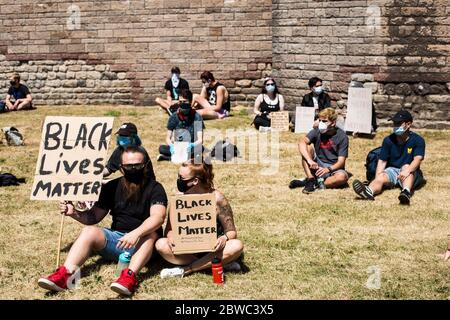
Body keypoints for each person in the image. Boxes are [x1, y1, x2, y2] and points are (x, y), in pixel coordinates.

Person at [38, 146, 168, 296]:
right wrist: (74, 213)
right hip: (118, 240)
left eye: (137, 166)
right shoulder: (111, 187)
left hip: (144, 245)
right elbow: (93, 217)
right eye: (129, 166)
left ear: (145, 166)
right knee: (89, 231)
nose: (133, 169)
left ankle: (128, 277)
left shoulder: (155, 188)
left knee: (151, 236)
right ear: (121, 168)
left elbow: (158, 218)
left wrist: (136, 234)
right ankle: (65, 275)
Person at [155, 159, 244, 278]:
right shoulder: (178, 200)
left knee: (237, 245)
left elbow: (231, 232)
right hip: (187, 250)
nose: (178, 181)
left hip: (213, 249)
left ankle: (187, 269)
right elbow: (169, 231)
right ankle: (215, 264)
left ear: (195, 181)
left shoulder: (217, 199)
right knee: (161, 244)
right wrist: (171, 238)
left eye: (182, 178)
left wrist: (224, 238)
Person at [353, 110, 425, 205]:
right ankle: (368, 191)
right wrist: (378, 176)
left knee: (406, 166)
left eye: (398, 123)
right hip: (392, 170)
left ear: (408, 124)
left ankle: (406, 192)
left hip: (410, 171)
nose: (395, 126)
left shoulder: (418, 140)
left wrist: (406, 171)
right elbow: (382, 161)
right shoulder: (388, 140)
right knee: (380, 177)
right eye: (394, 123)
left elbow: (418, 159)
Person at [292, 108, 349, 194]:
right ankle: (311, 178)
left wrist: (328, 169)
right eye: (320, 120)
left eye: (325, 121)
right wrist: (310, 160)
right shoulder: (317, 131)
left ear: (333, 123)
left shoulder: (342, 136)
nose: (321, 123)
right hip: (317, 163)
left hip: (333, 168)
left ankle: (314, 183)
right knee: (307, 148)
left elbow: (341, 161)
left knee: (342, 177)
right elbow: (301, 142)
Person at [157, 89, 205, 162]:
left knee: (200, 148)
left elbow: (200, 140)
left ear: (191, 102)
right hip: (177, 146)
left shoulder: (197, 117)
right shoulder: (174, 116)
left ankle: (167, 158)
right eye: (180, 102)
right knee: (161, 148)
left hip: (190, 146)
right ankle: (183, 156)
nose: (182, 104)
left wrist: (191, 145)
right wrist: (171, 146)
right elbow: (168, 138)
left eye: (185, 102)